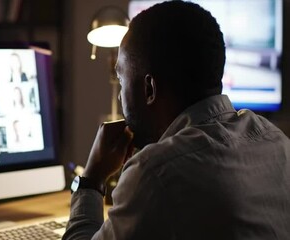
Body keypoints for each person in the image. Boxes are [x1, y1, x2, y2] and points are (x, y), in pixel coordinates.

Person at [63, 1, 290, 240]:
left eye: (122, 80)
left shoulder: (155, 172)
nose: (120, 95)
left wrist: (92, 178)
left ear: (150, 88)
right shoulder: (277, 142)